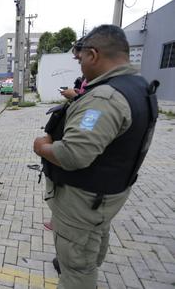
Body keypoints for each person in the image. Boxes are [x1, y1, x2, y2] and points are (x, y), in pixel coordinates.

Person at [33, 24, 158, 289]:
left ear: (93, 54)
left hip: (83, 200)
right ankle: (87, 263)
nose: (80, 66)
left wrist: (41, 146)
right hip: (105, 195)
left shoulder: (106, 97)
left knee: (76, 268)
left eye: (80, 60)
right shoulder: (137, 86)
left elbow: (73, 154)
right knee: (92, 244)